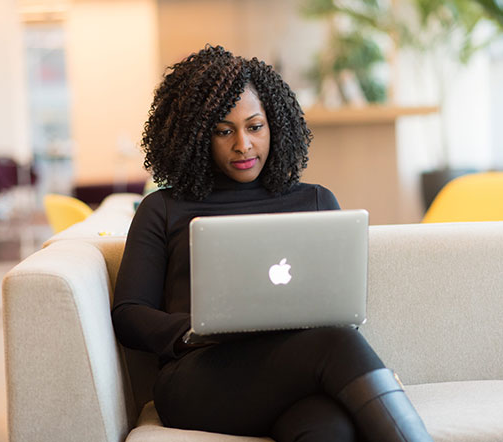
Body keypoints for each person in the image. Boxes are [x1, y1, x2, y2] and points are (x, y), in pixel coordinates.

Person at [112, 45, 432, 442]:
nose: (243, 145)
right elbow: (129, 313)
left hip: (298, 371)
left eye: (255, 126)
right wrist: (195, 331)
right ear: (196, 137)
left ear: (274, 125)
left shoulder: (315, 201)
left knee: (327, 426)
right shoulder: (163, 208)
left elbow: (337, 302)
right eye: (224, 131)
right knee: (338, 346)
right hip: (200, 377)